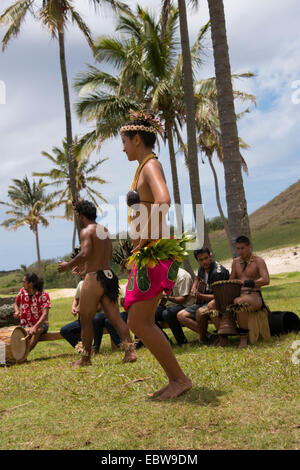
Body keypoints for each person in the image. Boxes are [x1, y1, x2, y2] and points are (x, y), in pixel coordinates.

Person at [121, 110, 192, 400]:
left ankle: (179, 380)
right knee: (138, 321)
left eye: (124, 141)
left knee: (139, 323)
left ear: (137, 139)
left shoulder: (151, 165)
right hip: (148, 252)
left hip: (154, 252)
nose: (123, 147)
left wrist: (146, 240)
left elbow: (163, 199)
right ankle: (177, 379)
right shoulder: (142, 167)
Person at [57, 200, 137, 367]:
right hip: (108, 276)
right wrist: (84, 267)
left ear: (81, 215)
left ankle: (85, 358)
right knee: (116, 318)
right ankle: (130, 352)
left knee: (86, 320)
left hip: (94, 279)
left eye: (77, 215)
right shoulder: (104, 230)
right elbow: (101, 257)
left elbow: (85, 252)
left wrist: (67, 265)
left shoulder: (87, 230)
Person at [177, 248, 229, 342]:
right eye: (201, 260)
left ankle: (205, 338)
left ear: (210, 256)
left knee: (200, 312)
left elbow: (219, 296)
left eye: (206, 258)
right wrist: (193, 288)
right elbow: (197, 278)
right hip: (203, 301)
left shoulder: (218, 272)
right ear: (197, 260)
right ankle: (208, 336)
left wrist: (200, 296)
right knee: (181, 315)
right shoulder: (202, 268)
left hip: (218, 302)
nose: (204, 261)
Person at [230, 235, 270, 347]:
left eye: (242, 248)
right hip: (239, 295)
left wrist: (247, 283)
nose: (240, 251)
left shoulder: (258, 261)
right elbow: (231, 280)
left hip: (254, 296)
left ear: (250, 247)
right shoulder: (235, 262)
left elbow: (266, 280)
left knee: (239, 302)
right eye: (238, 248)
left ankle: (243, 339)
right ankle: (224, 336)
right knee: (215, 304)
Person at [60, 276, 107, 352]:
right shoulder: (81, 284)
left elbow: (99, 307)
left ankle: (95, 348)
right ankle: (84, 348)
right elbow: (76, 298)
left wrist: (83, 309)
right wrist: (74, 307)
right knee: (64, 330)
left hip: (95, 319)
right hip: (83, 320)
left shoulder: (98, 284)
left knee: (96, 319)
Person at [14, 273, 51, 356]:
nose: (22, 283)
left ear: (30, 283)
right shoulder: (22, 291)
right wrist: (17, 311)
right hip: (24, 325)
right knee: (12, 333)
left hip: (41, 325)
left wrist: (35, 327)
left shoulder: (44, 295)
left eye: (24, 282)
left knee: (36, 331)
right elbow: (16, 303)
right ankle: (9, 356)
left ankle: (23, 356)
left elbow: (45, 315)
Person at [155, 267, 194, 345]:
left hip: (186, 305)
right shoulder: (164, 275)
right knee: (151, 314)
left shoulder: (182, 276)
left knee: (167, 314)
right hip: (172, 304)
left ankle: (182, 341)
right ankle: (165, 341)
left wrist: (166, 297)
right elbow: (164, 296)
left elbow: (183, 300)